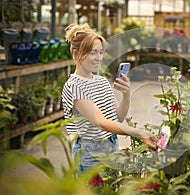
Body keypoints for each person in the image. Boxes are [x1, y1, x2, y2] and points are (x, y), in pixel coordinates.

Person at [61, 23, 157, 174]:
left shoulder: (102, 81)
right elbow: (101, 123)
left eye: (100, 52)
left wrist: (126, 95)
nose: (98, 58)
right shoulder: (74, 86)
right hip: (90, 154)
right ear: (76, 54)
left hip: (112, 145)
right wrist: (139, 132)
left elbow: (117, 117)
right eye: (93, 53)